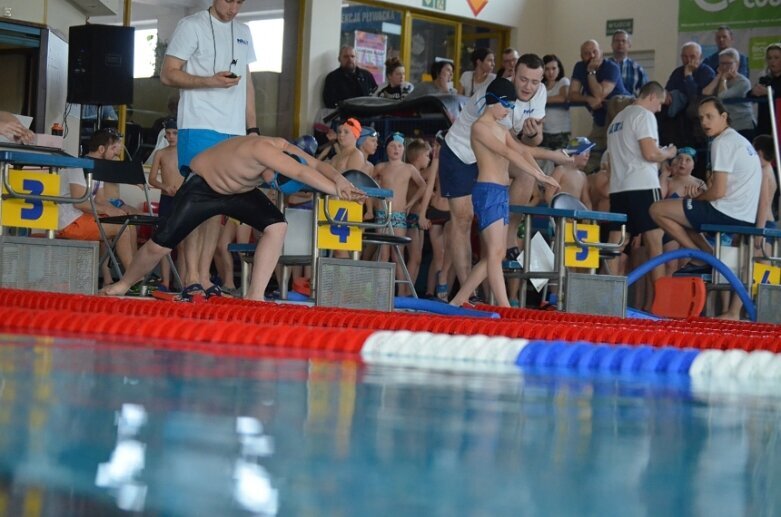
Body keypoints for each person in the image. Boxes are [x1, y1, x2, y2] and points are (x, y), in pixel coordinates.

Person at [99, 136, 365, 301]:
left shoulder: (284, 146)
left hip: (239, 191)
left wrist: (341, 179)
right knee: (162, 243)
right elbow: (302, 173)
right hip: (202, 187)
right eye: (274, 176)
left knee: (277, 225)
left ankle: (255, 295)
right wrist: (336, 191)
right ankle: (123, 284)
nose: (272, 181)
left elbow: (315, 166)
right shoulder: (265, 151)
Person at [440, 53, 572, 292]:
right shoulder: (495, 99)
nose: (528, 87)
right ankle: (467, 293)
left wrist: (534, 139)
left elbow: (530, 141)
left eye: (534, 81)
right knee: (462, 219)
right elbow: (514, 149)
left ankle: (509, 231)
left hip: (492, 157)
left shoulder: (539, 93)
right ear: (513, 74)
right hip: (461, 153)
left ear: (541, 80)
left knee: (525, 175)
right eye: (523, 80)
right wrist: (548, 163)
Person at [160, 0, 257, 300]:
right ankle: (190, 275)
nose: (234, 9)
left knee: (218, 206)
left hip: (233, 129)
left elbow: (248, 82)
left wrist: (252, 128)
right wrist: (208, 82)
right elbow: (168, 74)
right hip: (199, 124)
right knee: (197, 200)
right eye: (229, 1)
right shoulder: (191, 26)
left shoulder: (244, 31)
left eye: (240, 2)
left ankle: (204, 275)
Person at [650, 97, 762, 275]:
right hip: (744, 214)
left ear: (723, 116)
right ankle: (708, 256)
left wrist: (695, 197)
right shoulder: (739, 140)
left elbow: (717, 191)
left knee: (657, 209)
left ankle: (701, 257)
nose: (704, 122)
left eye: (710, 116)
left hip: (728, 212)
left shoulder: (723, 142)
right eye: (701, 118)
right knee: (682, 216)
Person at [606, 81, 678, 309]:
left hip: (618, 188)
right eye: (660, 104)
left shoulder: (616, 121)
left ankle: (607, 301)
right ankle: (662, 303)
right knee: (655, 243)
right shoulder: (644, 116)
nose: (659, 110)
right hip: (643, 186)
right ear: (652, 97)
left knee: (615, 244)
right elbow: (649, 153)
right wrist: (668, 152)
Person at [57, 129, 139, 286]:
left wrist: (118, 211)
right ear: (102, 149)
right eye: (114, 149)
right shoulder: (79, 167)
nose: (117, 154)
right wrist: (107, 210)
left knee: (125, 222)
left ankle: (129, 276)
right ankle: (132, 279)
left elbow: (101, 199)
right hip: (71, 221)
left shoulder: (97, 169)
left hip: (85, 217)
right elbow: (79, 202)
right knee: (122, 227)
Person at [718, 135, 778, 320]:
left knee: (750, 270)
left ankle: (735, 312)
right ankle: (752, 313)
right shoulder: (768, 170)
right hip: (765, 226)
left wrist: (759, 233)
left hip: (762, 226)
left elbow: (763, 203)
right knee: (760, 273)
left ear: (759, 152)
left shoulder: (764, 173)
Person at [373, 133, 426, 295]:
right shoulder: (380, 167)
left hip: (398, 215)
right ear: (386, 149)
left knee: (398, 255)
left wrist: (409, 204)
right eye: (392, 146)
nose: (396, 149)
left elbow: (423, 186)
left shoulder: (409, 168)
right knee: (383, 254)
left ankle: (402, 294)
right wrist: (375, 203)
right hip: (383, 214)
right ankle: (381, 293)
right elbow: (368, 183)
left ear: (404, 149)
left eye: (399, 146)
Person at [568, 39, 631, 172]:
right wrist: (587, 99)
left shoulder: (611, 67)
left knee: (614, 155)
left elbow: (599, 94)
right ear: (581, 56)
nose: (591, 56)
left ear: (601, 52)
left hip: (619, 117)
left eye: (594, 52)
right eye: (587, 53)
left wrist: (591, 72)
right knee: (586, 151)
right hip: (600, 120)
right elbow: (572, 94)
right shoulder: (579, 67)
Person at [147, 119, 185, 291]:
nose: (170, 137)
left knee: (184, 242)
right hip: (167, 199)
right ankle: (165, 282)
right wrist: (165, 187)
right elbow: (152, 179)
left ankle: (183, 282)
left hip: (183, 199)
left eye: (174, 133)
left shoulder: (187, 152)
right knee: (164, 242)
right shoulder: (160, 153)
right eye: (168, 133)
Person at [661, 42, 716, 148]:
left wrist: (688, 76)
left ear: (700, 57)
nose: (688, 60)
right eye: (685, 57)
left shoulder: (707, 72)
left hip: (695, 117)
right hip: (676, 116)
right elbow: (668, 90)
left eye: (692, 56)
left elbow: (694, 96)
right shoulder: (677, 72)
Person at [702, 48, 754, 140]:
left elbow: (722, 96)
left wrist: (723, 79)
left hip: (743, 126)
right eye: (722, 63)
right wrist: (718, 77)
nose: (724, 67)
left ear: (737, 64)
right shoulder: (720, 78)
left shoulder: (743, 82)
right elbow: (706, 92)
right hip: (726, 127)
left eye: (728, 63)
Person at [749, 42, 781, 138]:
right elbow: (749, 96)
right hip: (764, 127)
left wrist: (770, 92)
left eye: (776, 58)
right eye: (769, 58)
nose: (772, 61)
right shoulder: (764, 79)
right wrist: (753, 92)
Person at [541, 54, 571, 150]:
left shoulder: (563, 81)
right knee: (544, 164)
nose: (551, 72)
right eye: (547, 69)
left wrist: (540, 100)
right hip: (544, 131)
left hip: (561, 132)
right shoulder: (541, 86)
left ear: (559, 69)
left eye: (554, 68)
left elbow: (563, 97)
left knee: (560, 162)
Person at [608, 30, 648, 96]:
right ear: (612, 44)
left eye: (623, 41)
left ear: (629, 44)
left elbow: (647, 91)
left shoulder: (637, 69)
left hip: (629, 105)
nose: (620, 43)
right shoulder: (604, 66)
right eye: (617, 41)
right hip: (607, 105)